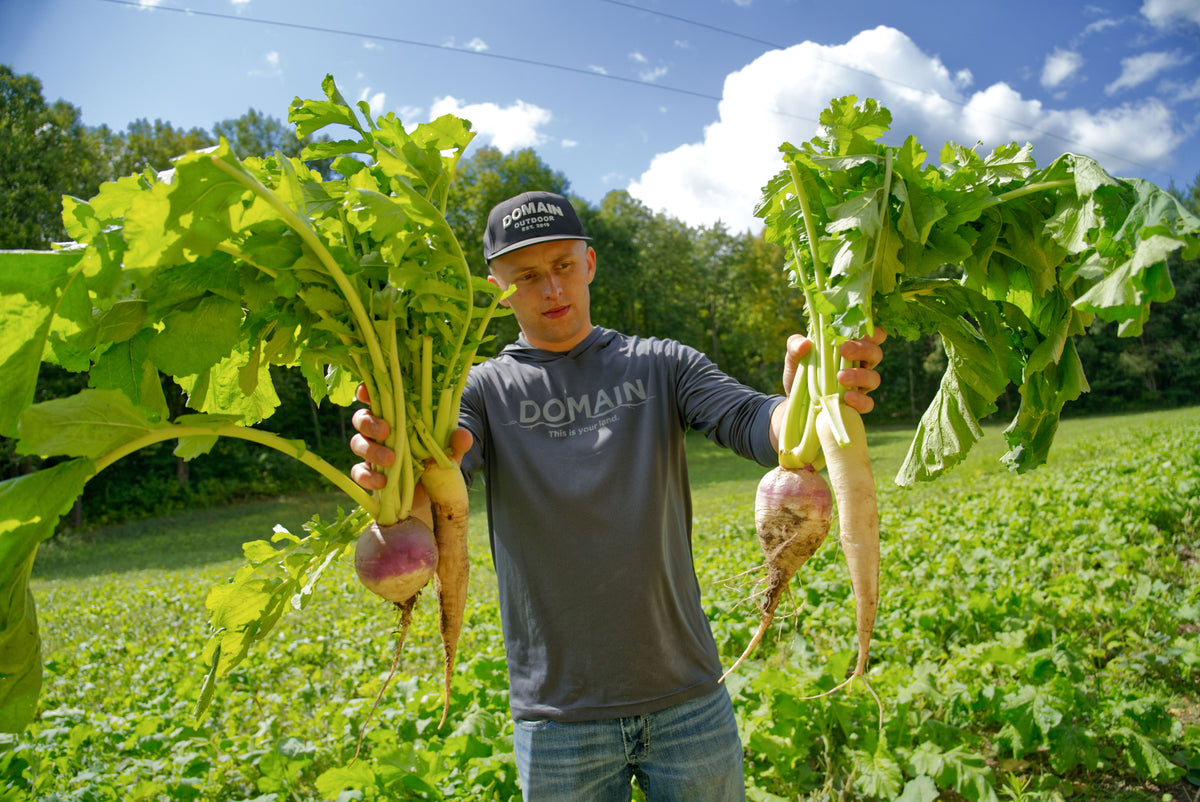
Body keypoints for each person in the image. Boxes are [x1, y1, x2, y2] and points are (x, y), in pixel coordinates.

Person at [349, 190, 885, 801]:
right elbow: (443, 486)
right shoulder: (477, 394)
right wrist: (391, 488)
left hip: (688, 697)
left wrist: (811, 398)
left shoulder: (661, 365)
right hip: (557, 718)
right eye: (526, 276)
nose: (551, 289)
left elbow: (753, 421)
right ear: (498, 287)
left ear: (591, 263)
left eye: (563, 267)